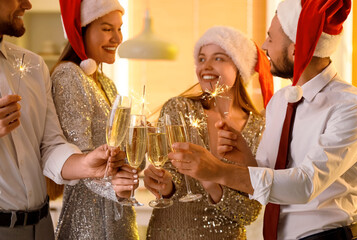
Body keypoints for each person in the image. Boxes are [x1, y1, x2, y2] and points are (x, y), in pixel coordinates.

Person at [170, 0, 357, 239]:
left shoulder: (350, 106)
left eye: (271, 37)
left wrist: (219, 171)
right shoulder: (280, 102)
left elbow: (306, 184)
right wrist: (245, 156)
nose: (263, 45)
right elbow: (266, 174)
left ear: (295, 47)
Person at [0, 0, 124, 239]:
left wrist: (86, 163)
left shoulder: (33, 66)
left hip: (42, 226)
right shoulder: (68, 75)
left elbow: (51, 146)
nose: (27, 4)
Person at [144, 26, 273, 239]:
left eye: (219, 59)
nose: (206, 67)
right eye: (202, 59)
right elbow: (169, 186)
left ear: (239, 67)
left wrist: (212, 183)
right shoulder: (178, 109)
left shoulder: (260, 128)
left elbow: (250, 212)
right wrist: (164, 185)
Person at [48, 0, 140, 239]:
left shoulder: (106, 83)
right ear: (82, 29)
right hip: (89, 221)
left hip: (119, 214)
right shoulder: (68, 75)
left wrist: (139, 145)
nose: (117, 38)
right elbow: (80, 156)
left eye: (119, 29)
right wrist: (116, 188)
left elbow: (120, 154)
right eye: (107, 29)